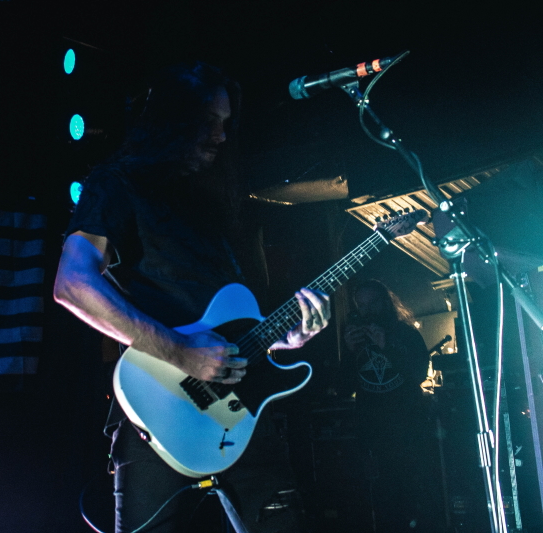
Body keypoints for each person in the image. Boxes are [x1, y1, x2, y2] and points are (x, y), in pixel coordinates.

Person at [54, 62, 330, 533]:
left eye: (226, 124)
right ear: (171, 120)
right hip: (159, 409)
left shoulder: (214, 203)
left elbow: (236, 321)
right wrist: (179, 351)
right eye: (209, 122)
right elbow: (73, 283)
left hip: (241, 414)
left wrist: (285, 339)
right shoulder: (117, 183)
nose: (222, 137)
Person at [342, 279, 444, 532]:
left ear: (385, 302)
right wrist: (348, 352)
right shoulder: (356, 338)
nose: (367, 311)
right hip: (374, 435)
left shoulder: (406, 334)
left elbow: (419, 373)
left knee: (418, 499)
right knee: (384, 504)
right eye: (360, 306)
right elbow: (343, 388)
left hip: (409, 430)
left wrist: (387, 347)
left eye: (372, 303)